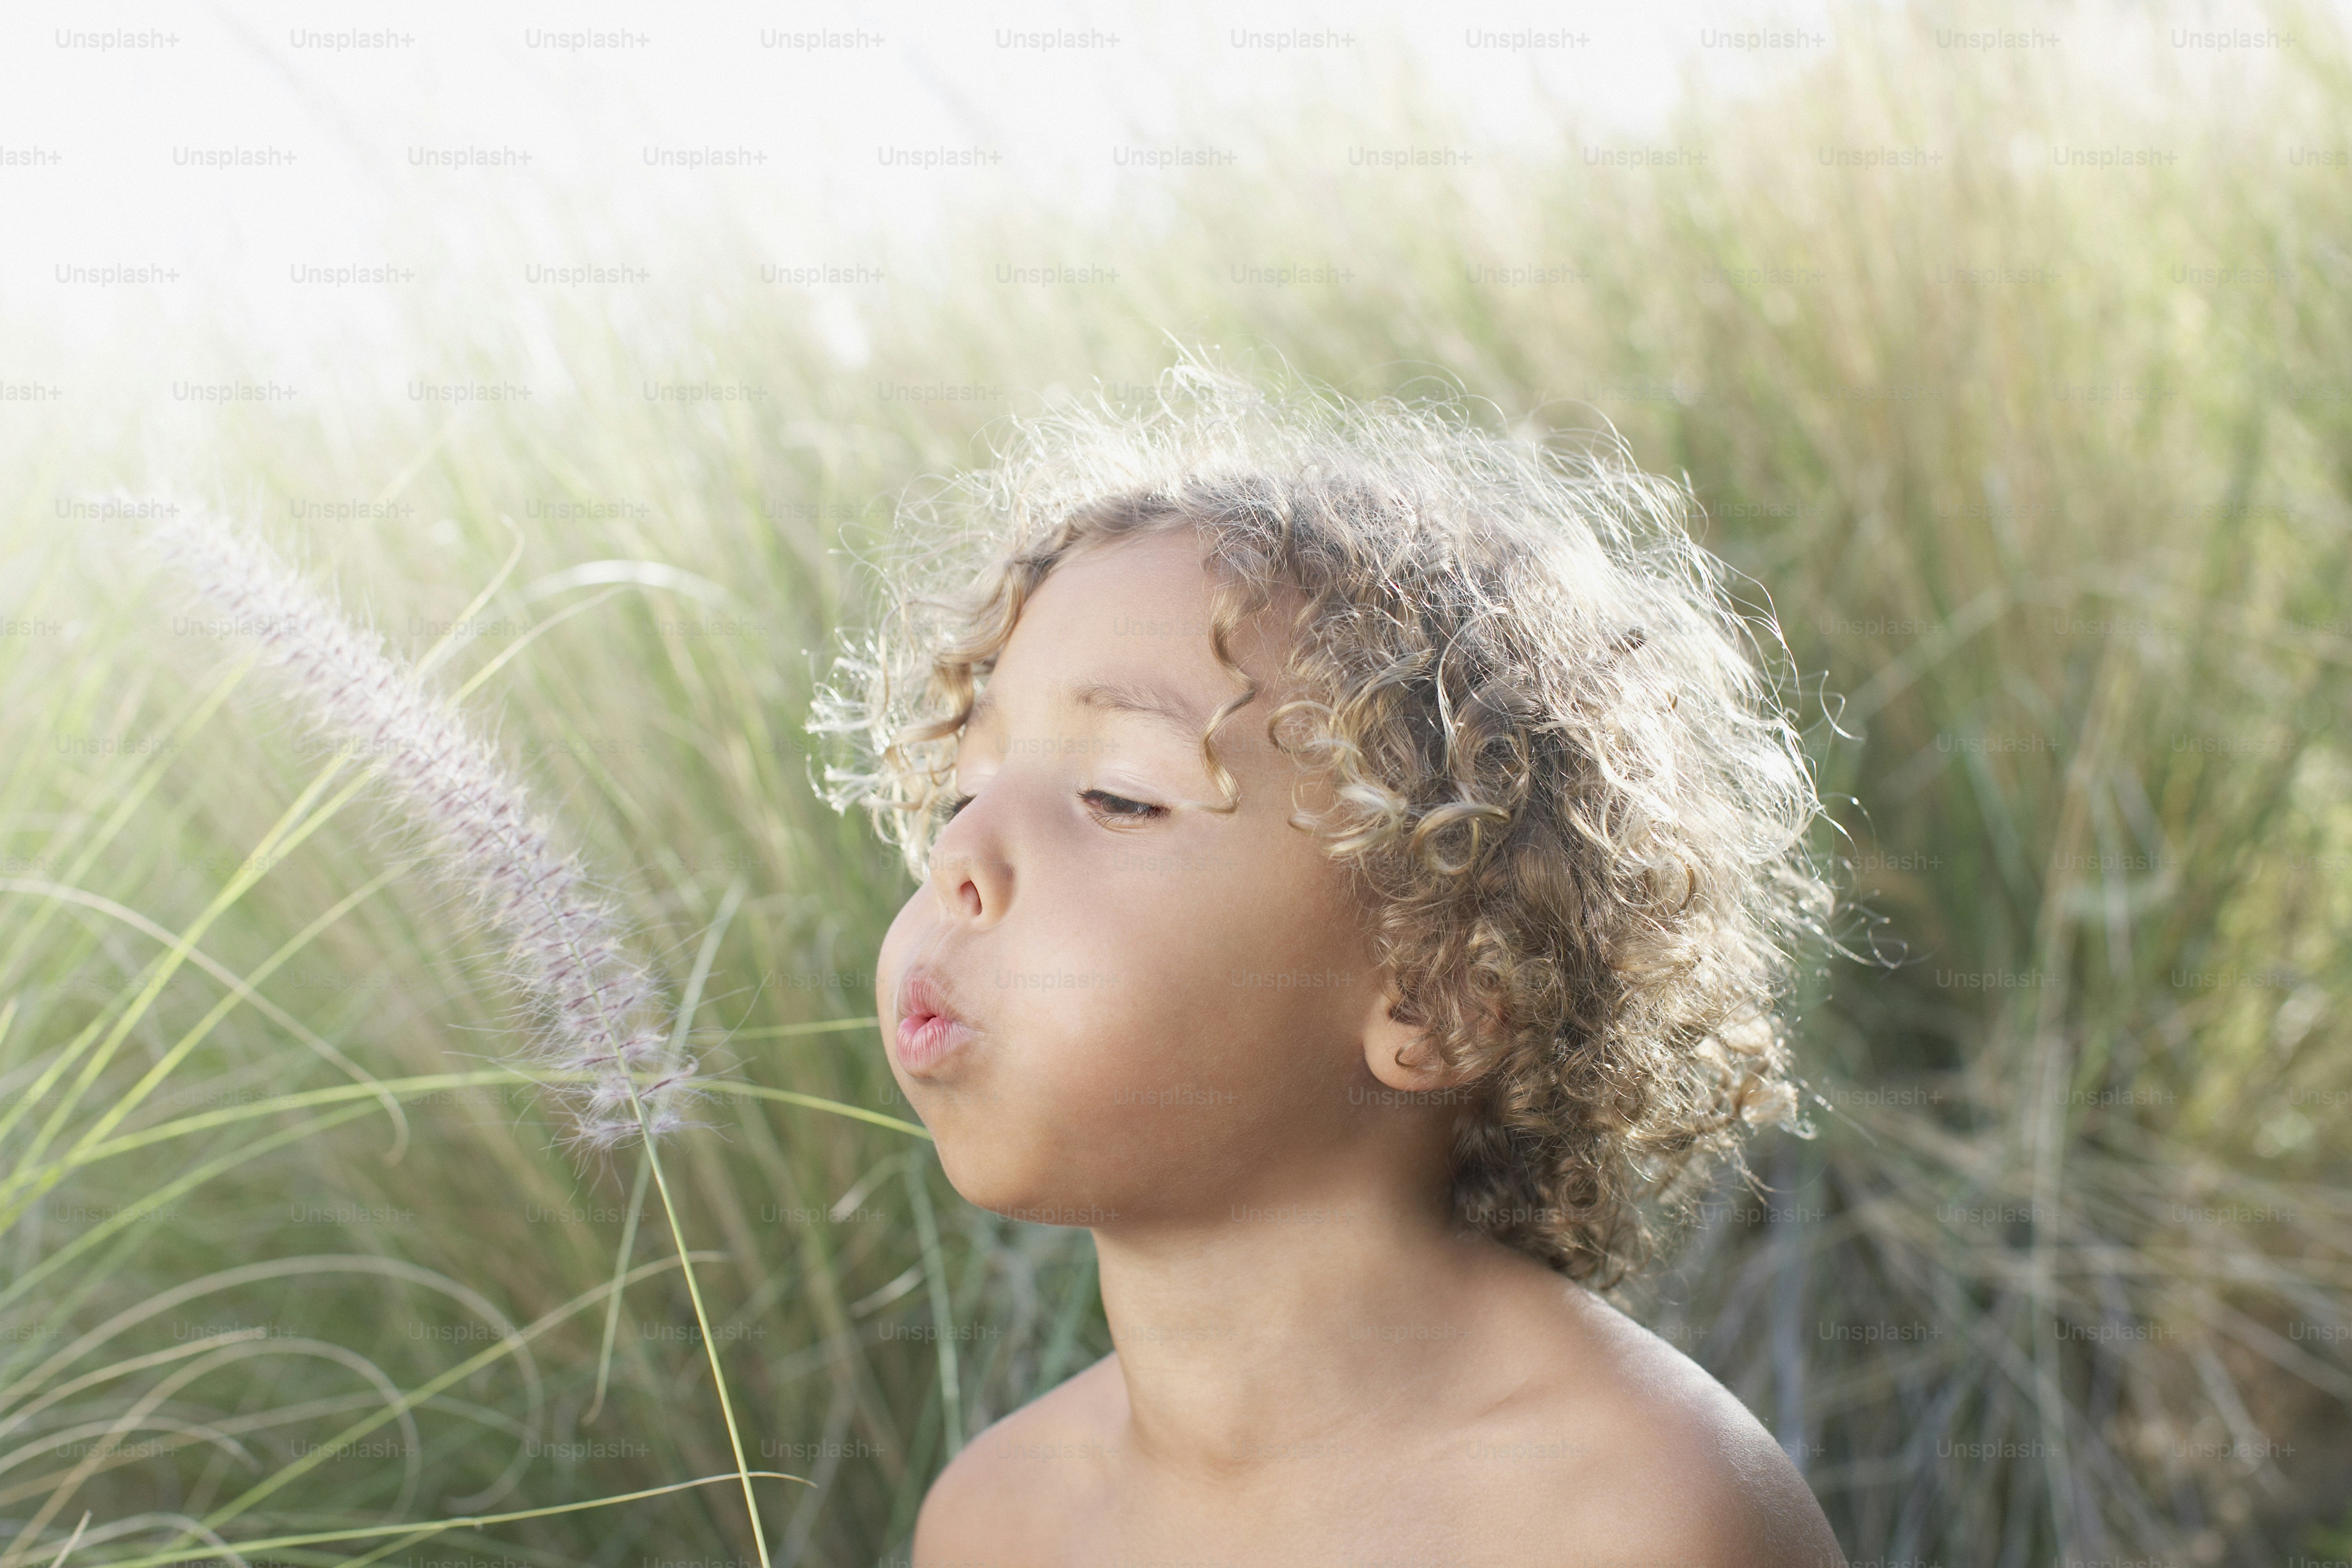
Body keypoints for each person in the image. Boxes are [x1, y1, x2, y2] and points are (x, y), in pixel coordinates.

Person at [811, 360, 1847, 1566]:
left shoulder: (1627, 1513)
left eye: (1119, 796)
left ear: (1441, 989)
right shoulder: (998, 1521)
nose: (961, 854)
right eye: (967, 786)